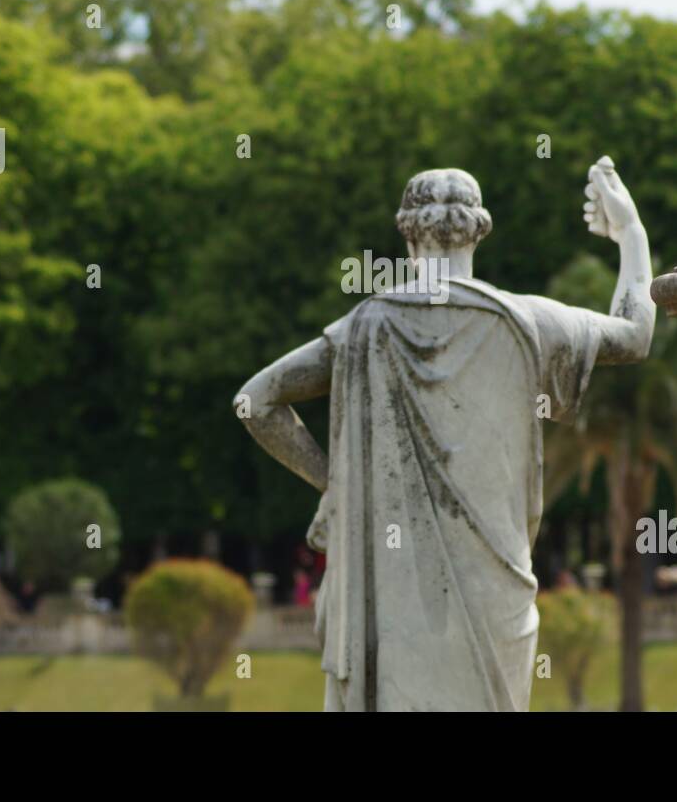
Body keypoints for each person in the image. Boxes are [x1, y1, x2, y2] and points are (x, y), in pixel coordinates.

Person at [236, 160, 654, 711]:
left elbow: (255, 401)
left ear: (407, 231)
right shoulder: (526, 321)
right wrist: (630, 234)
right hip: (495, 585)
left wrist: (335, 484)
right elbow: (635, 334)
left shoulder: (364, 326)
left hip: (395, 589)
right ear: (479, 229)